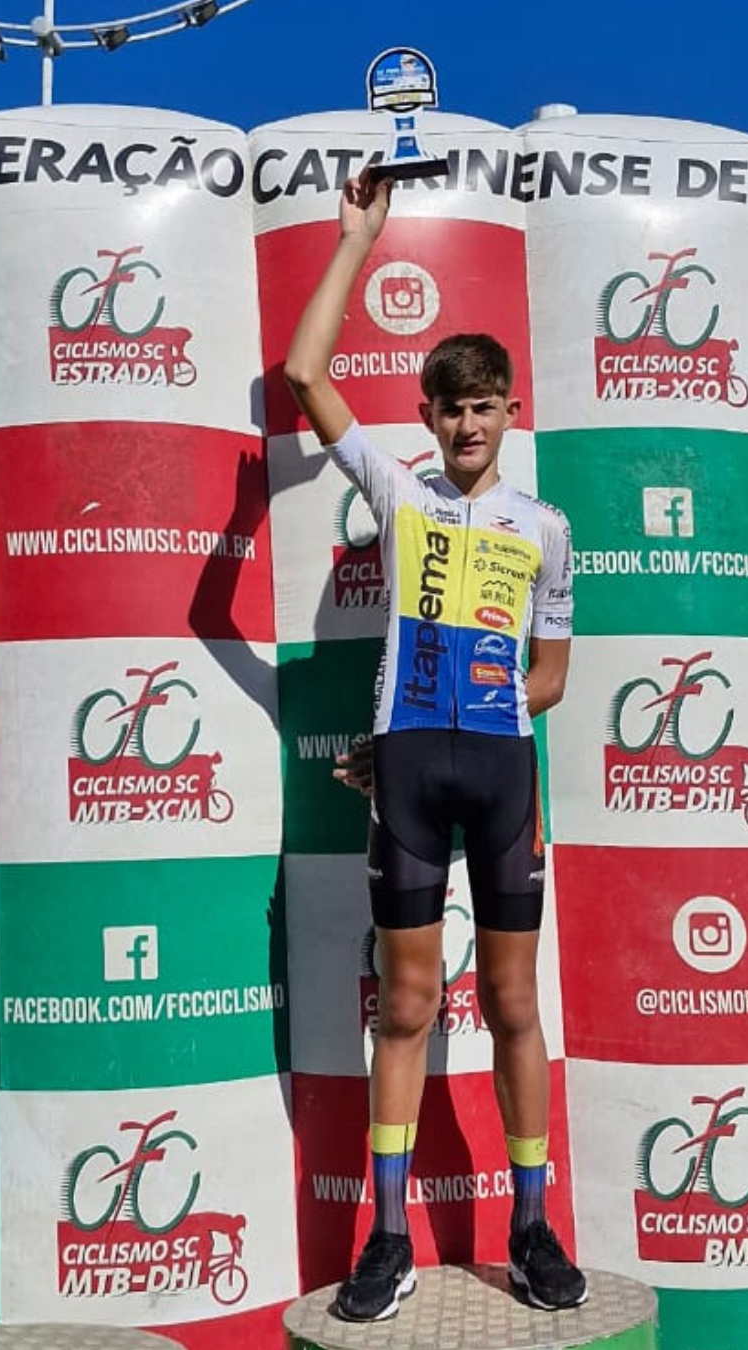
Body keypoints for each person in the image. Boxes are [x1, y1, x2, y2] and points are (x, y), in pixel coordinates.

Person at [284, 170, 585, 1322]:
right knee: (405, 1008)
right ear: (428, 417)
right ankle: (388, 1239)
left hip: (502, 775)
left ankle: (531, 1229)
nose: (468, 426)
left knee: (514, 1005)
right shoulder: (400, 494)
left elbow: (551, 677)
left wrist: (485, 714)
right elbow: (306, 373)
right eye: (451, 409)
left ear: (511, 412)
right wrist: (358, 238)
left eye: (486, 407)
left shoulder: (545, 530)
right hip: (409, 775)